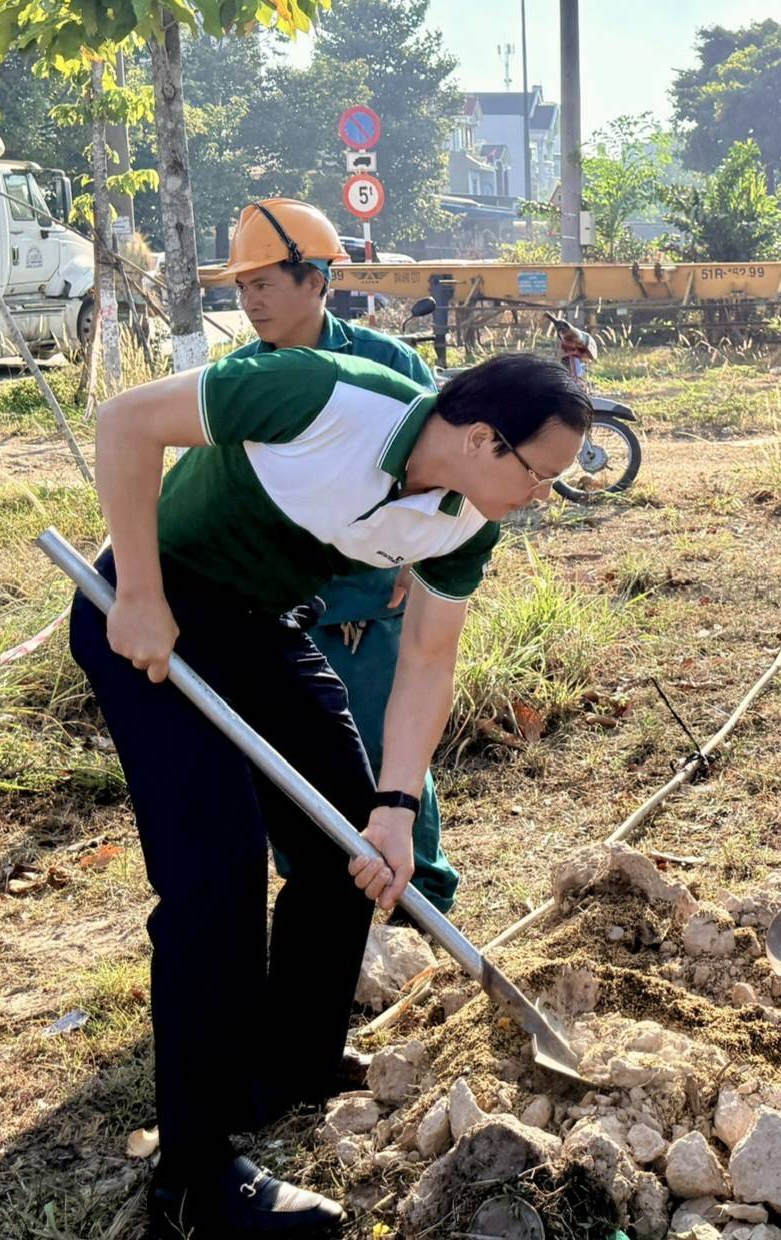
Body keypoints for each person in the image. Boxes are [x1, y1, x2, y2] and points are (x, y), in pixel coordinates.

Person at [70, 346, 589, 1236]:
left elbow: (428, 657)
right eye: (542, 475)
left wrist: (394, 809)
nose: (542, 496)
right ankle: (192, 1180)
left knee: (344, 844)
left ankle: (290, 1064)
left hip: (257, 626)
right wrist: (143, 596)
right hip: (146, 606)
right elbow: (125, 421)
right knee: (215, 877)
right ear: (481, 439)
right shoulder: (323, 395)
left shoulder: (466, 520)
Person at [220, 198, 459, 914]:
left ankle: (423, 906)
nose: (251, 300)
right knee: (292, 769)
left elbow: (445, 474)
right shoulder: (237, 378)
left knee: (394, 764)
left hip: (377, 607)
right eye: (242, 287)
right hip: (281, 612)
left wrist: (418, 569)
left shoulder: (387, 363)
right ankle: (322, 899)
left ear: (317, 279)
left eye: (265, 283)